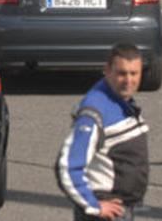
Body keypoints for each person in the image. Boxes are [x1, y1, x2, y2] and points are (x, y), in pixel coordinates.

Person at [56, 43, 149, 221]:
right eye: (122, 73)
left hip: (121, 208)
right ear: (107, 71)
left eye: (134, 73)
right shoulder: (95, 112)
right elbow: (67, 166)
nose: (128, 80)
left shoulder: (121, 100)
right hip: (106, 213)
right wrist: (94, 206)